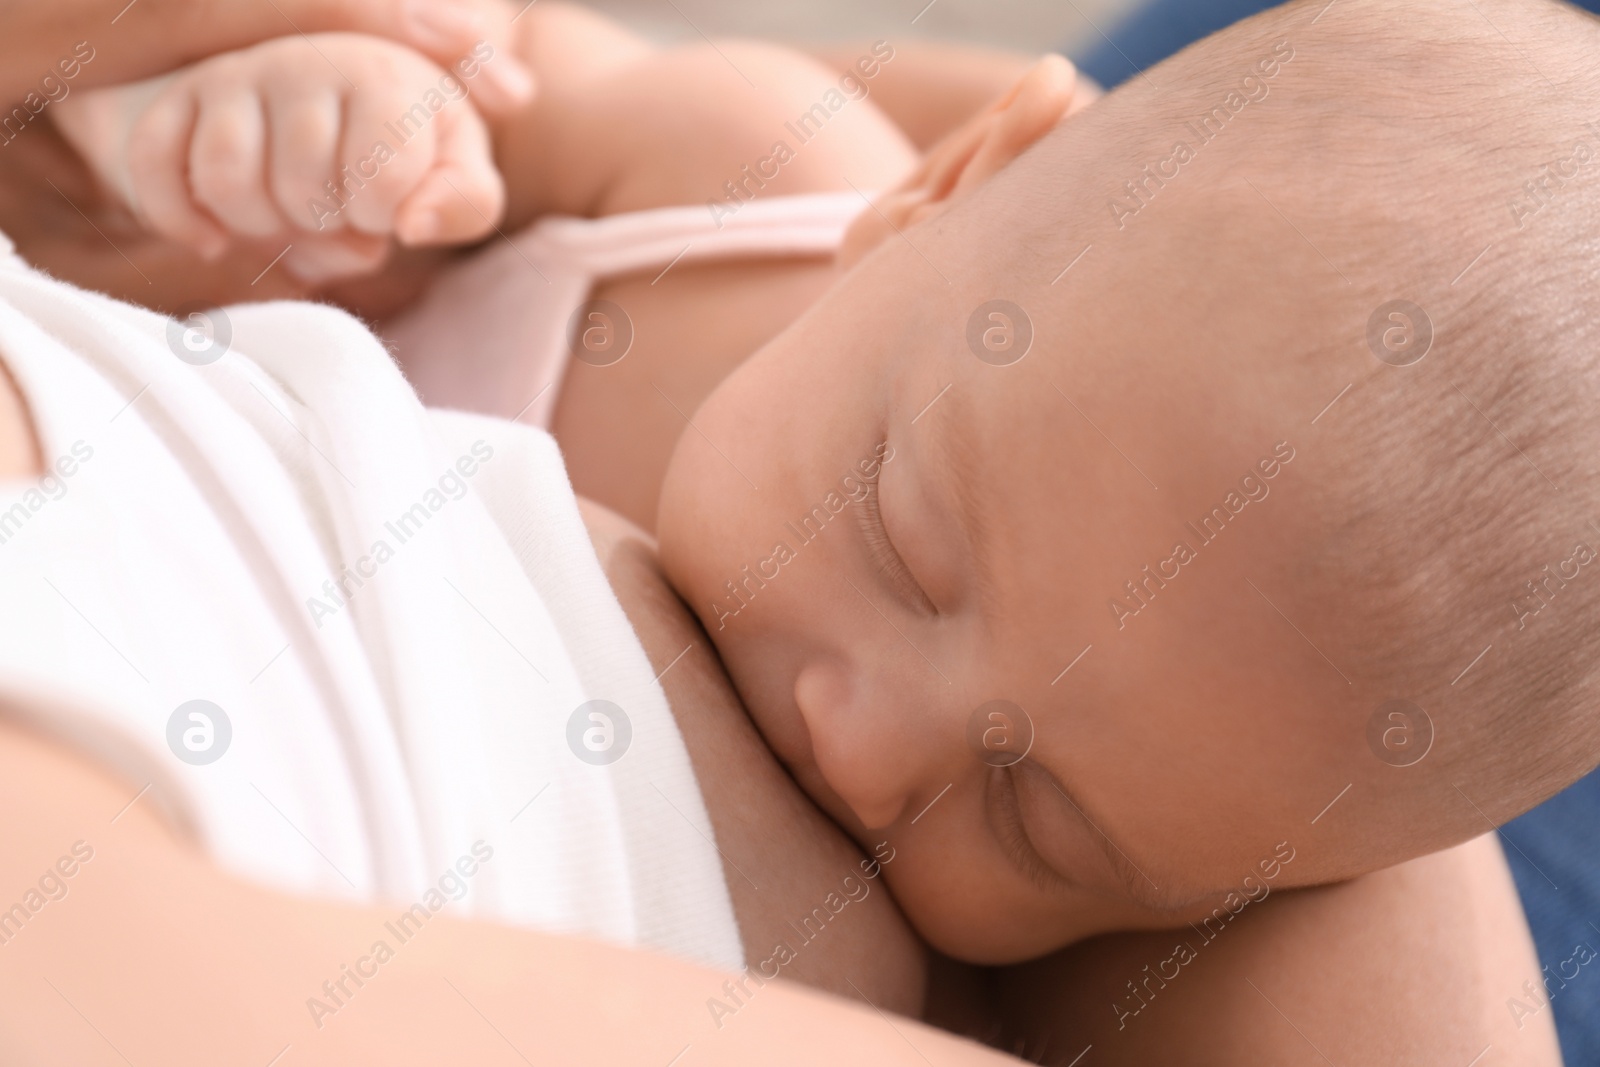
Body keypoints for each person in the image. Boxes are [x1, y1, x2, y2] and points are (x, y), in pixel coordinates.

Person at [0, 0, 1588, 1064]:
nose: (864, 738)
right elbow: (487, 90)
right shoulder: (738, 191)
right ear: (951, 187)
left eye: (1038, 817)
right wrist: (312, 138)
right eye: (904, 542)